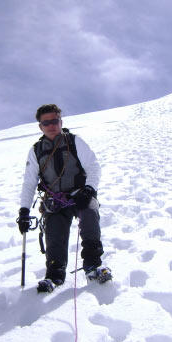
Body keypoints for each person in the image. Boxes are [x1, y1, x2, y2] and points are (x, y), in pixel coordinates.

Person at [17, 104, 111, 292]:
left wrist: (89, 190)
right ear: (40, 126)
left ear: (61, 122)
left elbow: (93, 166)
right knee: (55, 234)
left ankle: (93, 265)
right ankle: (54, 275)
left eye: (54, 121)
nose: (51, 125)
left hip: (80, 194)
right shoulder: (36, 150)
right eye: (46, 122)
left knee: (90, 215)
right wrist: (24, 210)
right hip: (55, 200)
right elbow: (29, 182)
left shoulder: (75, 141)